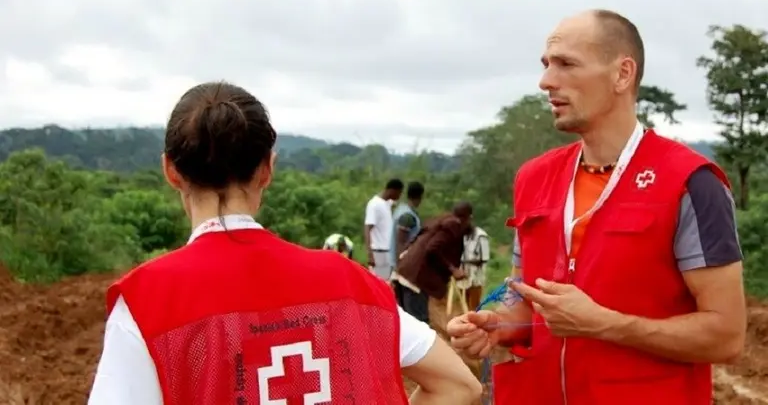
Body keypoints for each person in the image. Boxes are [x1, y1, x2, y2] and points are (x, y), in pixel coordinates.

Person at [88, 81, 481, 405]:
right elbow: (460, 385)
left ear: (171, 171)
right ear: (268, 168)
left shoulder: (148, 303)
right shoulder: (348, 281)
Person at [446, 9, 746, 405]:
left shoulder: (690, 183)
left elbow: (726, 335)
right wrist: (498, 323)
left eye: (567, 64)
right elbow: (525, 295)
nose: (546, 81)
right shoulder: (534, 178)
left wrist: (605, 325)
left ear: (622, 74)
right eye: (546, 65)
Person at [395, 201, 472, 324]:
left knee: (408, 322)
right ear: (469, 218)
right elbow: (432, 248)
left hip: (406, 271)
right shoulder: (452, 226)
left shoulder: (440, 221)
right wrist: (452, 269)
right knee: (418, 324)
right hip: (416, 278)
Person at [391, 181, 424, 306]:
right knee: (409, 308)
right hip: (404, 268)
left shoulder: (401, 210)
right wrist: (401, 266)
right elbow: (401, 241)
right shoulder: (407, 216)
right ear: (420, 196)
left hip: (400, 266)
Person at [364, 178, 403, 281]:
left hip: (387, 252)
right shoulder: (374, 205)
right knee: (381, 285)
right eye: (399, 193)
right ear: (392, 191)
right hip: (379, 252)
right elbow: (368, 228)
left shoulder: (387, 203)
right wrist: (370, 254)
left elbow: (391, 202)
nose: (399, 197)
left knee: (386, 284)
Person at [455, 223, 490, 311]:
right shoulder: (462, 235)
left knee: (474, 306)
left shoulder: (481, 236)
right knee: (463, 305)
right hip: (462, 276)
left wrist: (464, 262)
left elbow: (484, 258)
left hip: (476, 277)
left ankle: (475, 323)